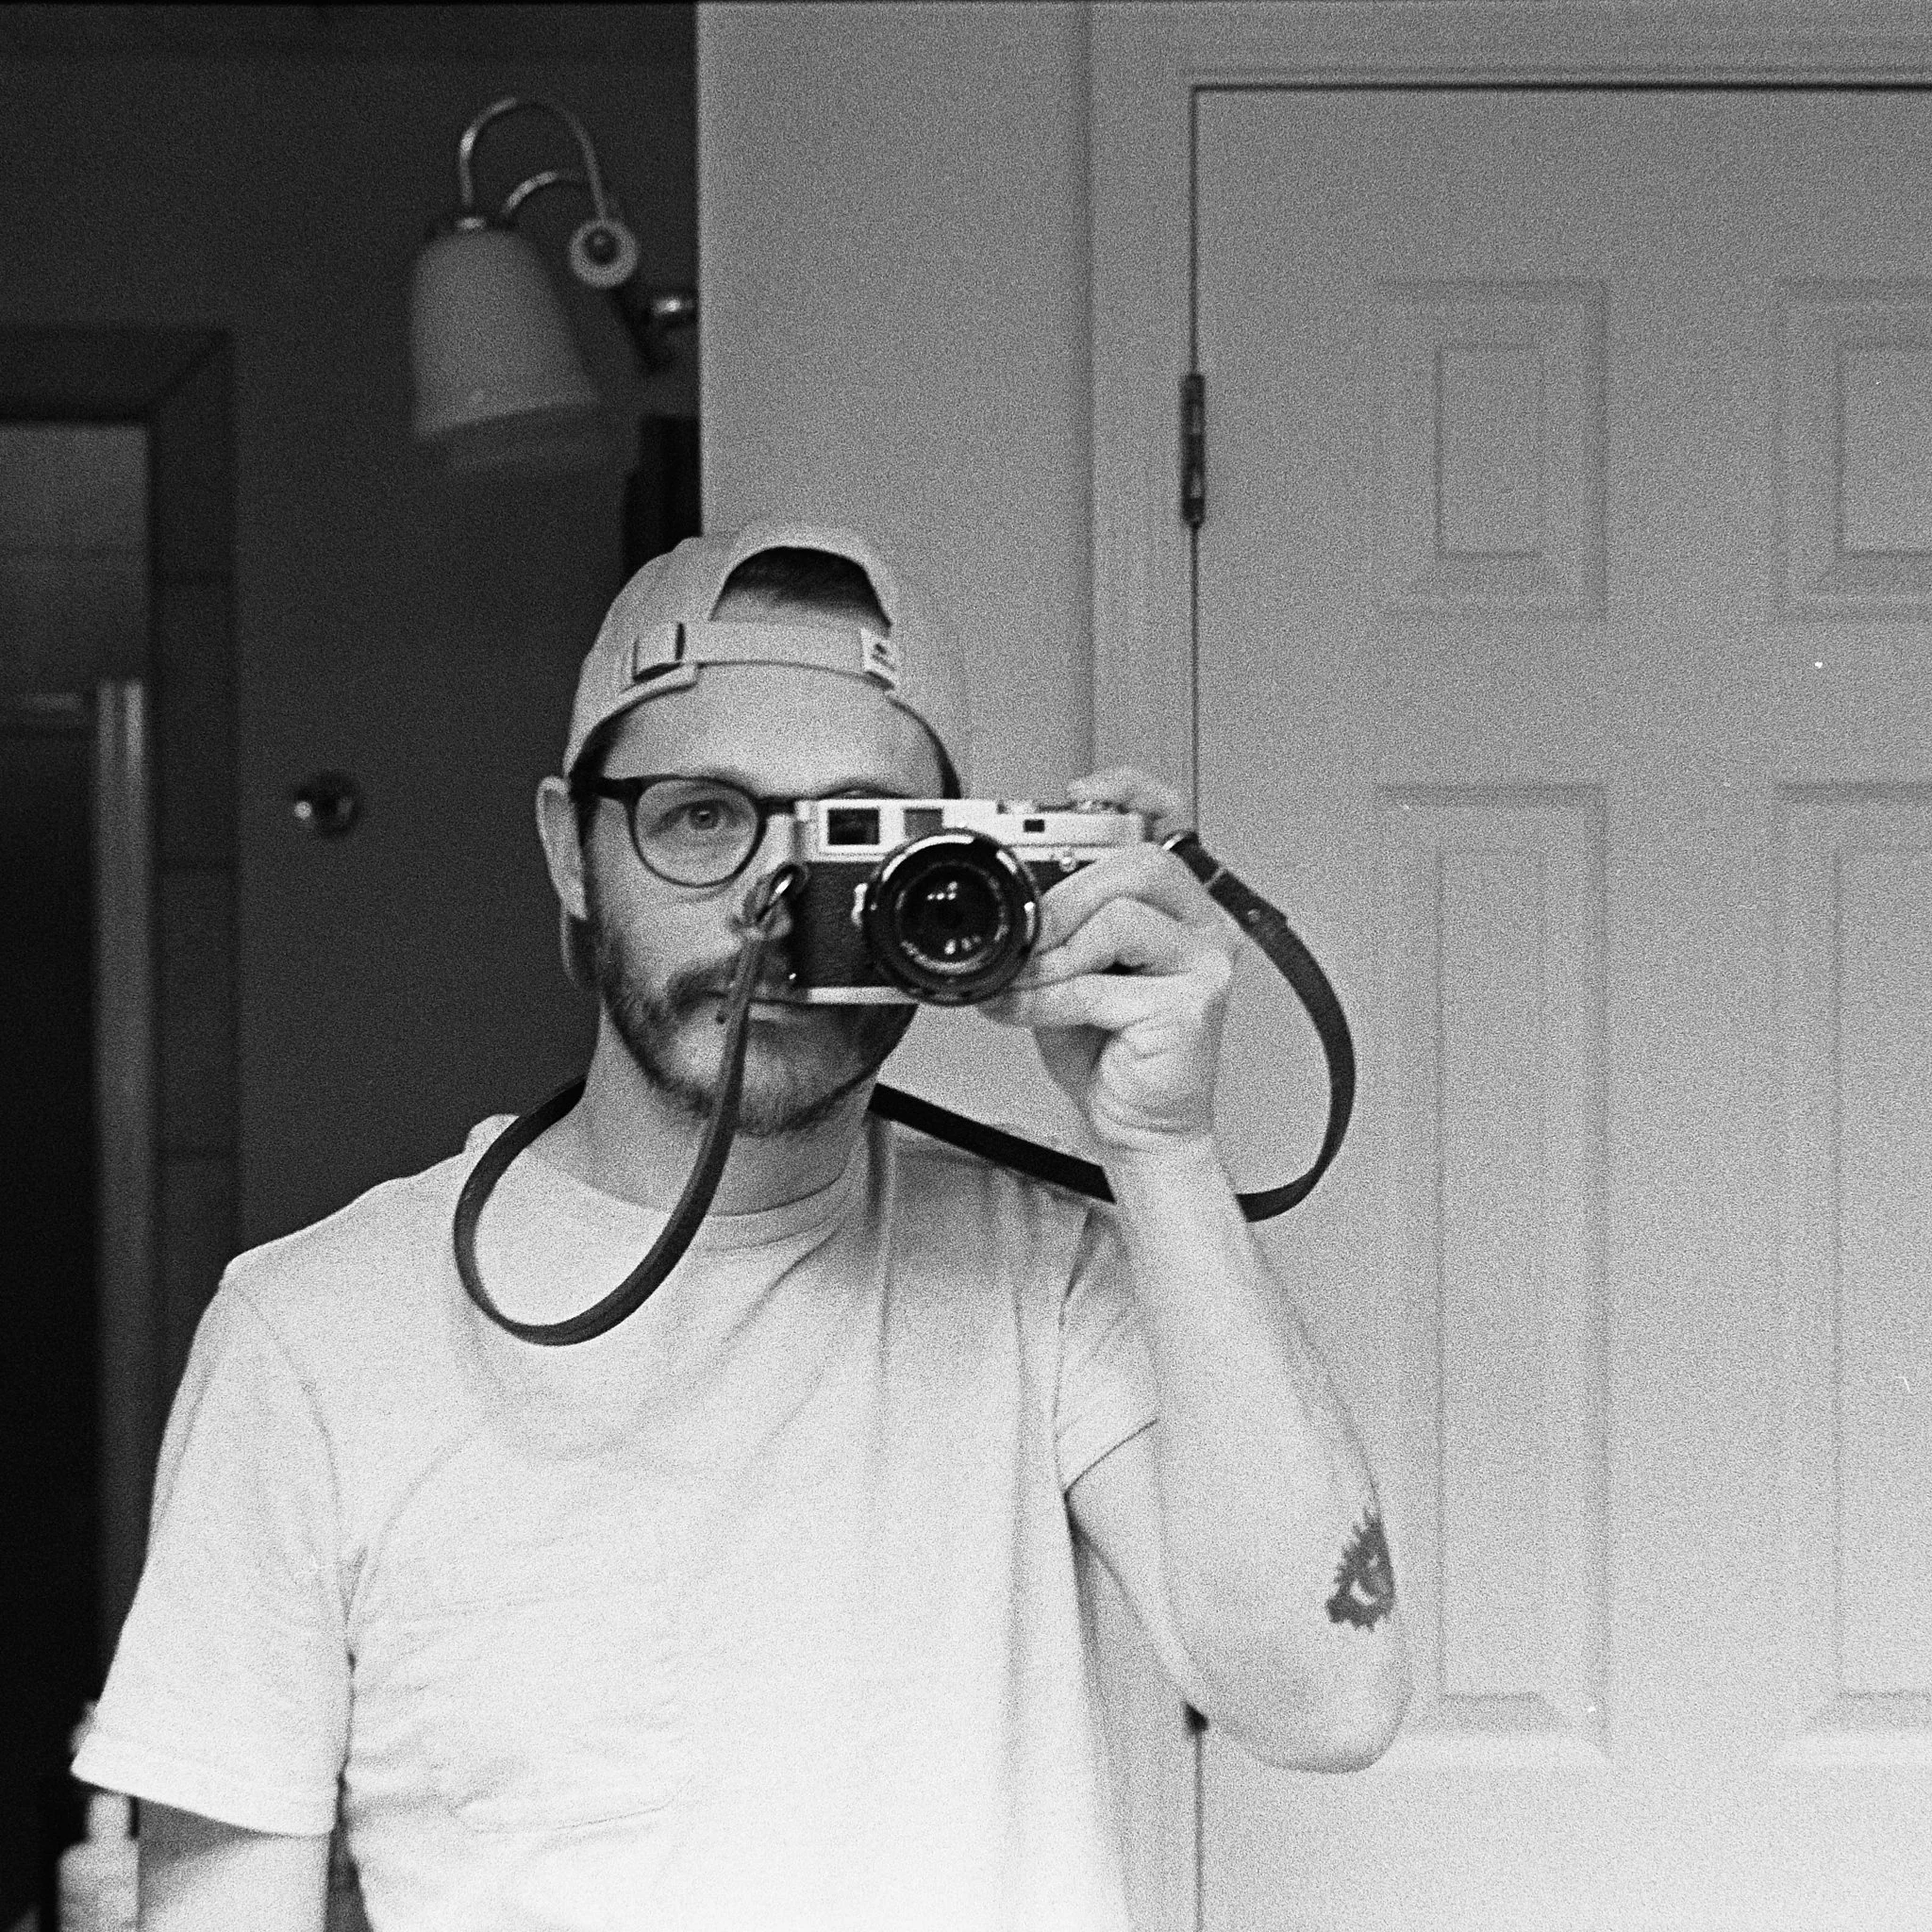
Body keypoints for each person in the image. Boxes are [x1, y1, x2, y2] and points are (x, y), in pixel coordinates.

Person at [76, 524, 1409, 1931]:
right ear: (573, 853)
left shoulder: (1045, 1275)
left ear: (951, 877)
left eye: (851, 836)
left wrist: (1165, 1151)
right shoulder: (314, 1336)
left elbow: (1328, 1700)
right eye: (703, 816)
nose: (772, 908)